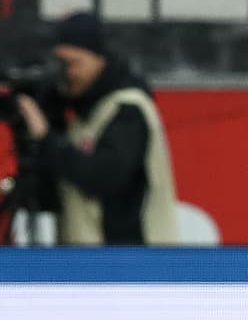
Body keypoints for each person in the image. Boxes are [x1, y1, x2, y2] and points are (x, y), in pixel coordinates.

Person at [14, 12, 179, 244]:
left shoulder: (126, 108)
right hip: (88, 261)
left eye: (74, 63)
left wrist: (45, 137)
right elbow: (53, 195)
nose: (67, 73)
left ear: (99, 59)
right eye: (61, 64)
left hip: (129, 262)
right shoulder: (83, 113)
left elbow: (103, 177)